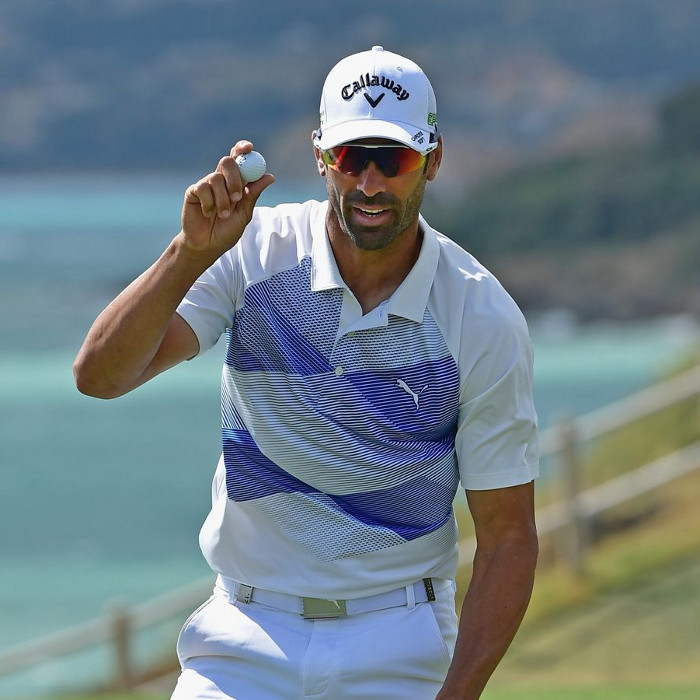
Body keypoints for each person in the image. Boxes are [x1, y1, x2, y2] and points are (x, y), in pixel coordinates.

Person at [74, 45, 539, 700]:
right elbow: (100, 376)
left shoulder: (482, 313)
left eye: (394, 159)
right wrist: (189, 253)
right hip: (243, 635)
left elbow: (508, 537)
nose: (370, 184)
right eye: (352, 158)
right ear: (321, 156)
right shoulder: (251, 250)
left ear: (433, 160)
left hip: (400, 639)